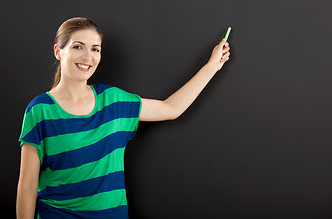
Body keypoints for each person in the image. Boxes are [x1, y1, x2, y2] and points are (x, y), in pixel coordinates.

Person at [16, 17, 231, 219]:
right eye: (77, 46)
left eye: (95, 49)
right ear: (58, 51)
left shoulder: (113, 101)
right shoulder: (39, 110)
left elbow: (171, 108)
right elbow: (27, 186)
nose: (87, 56)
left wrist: (212, 66)